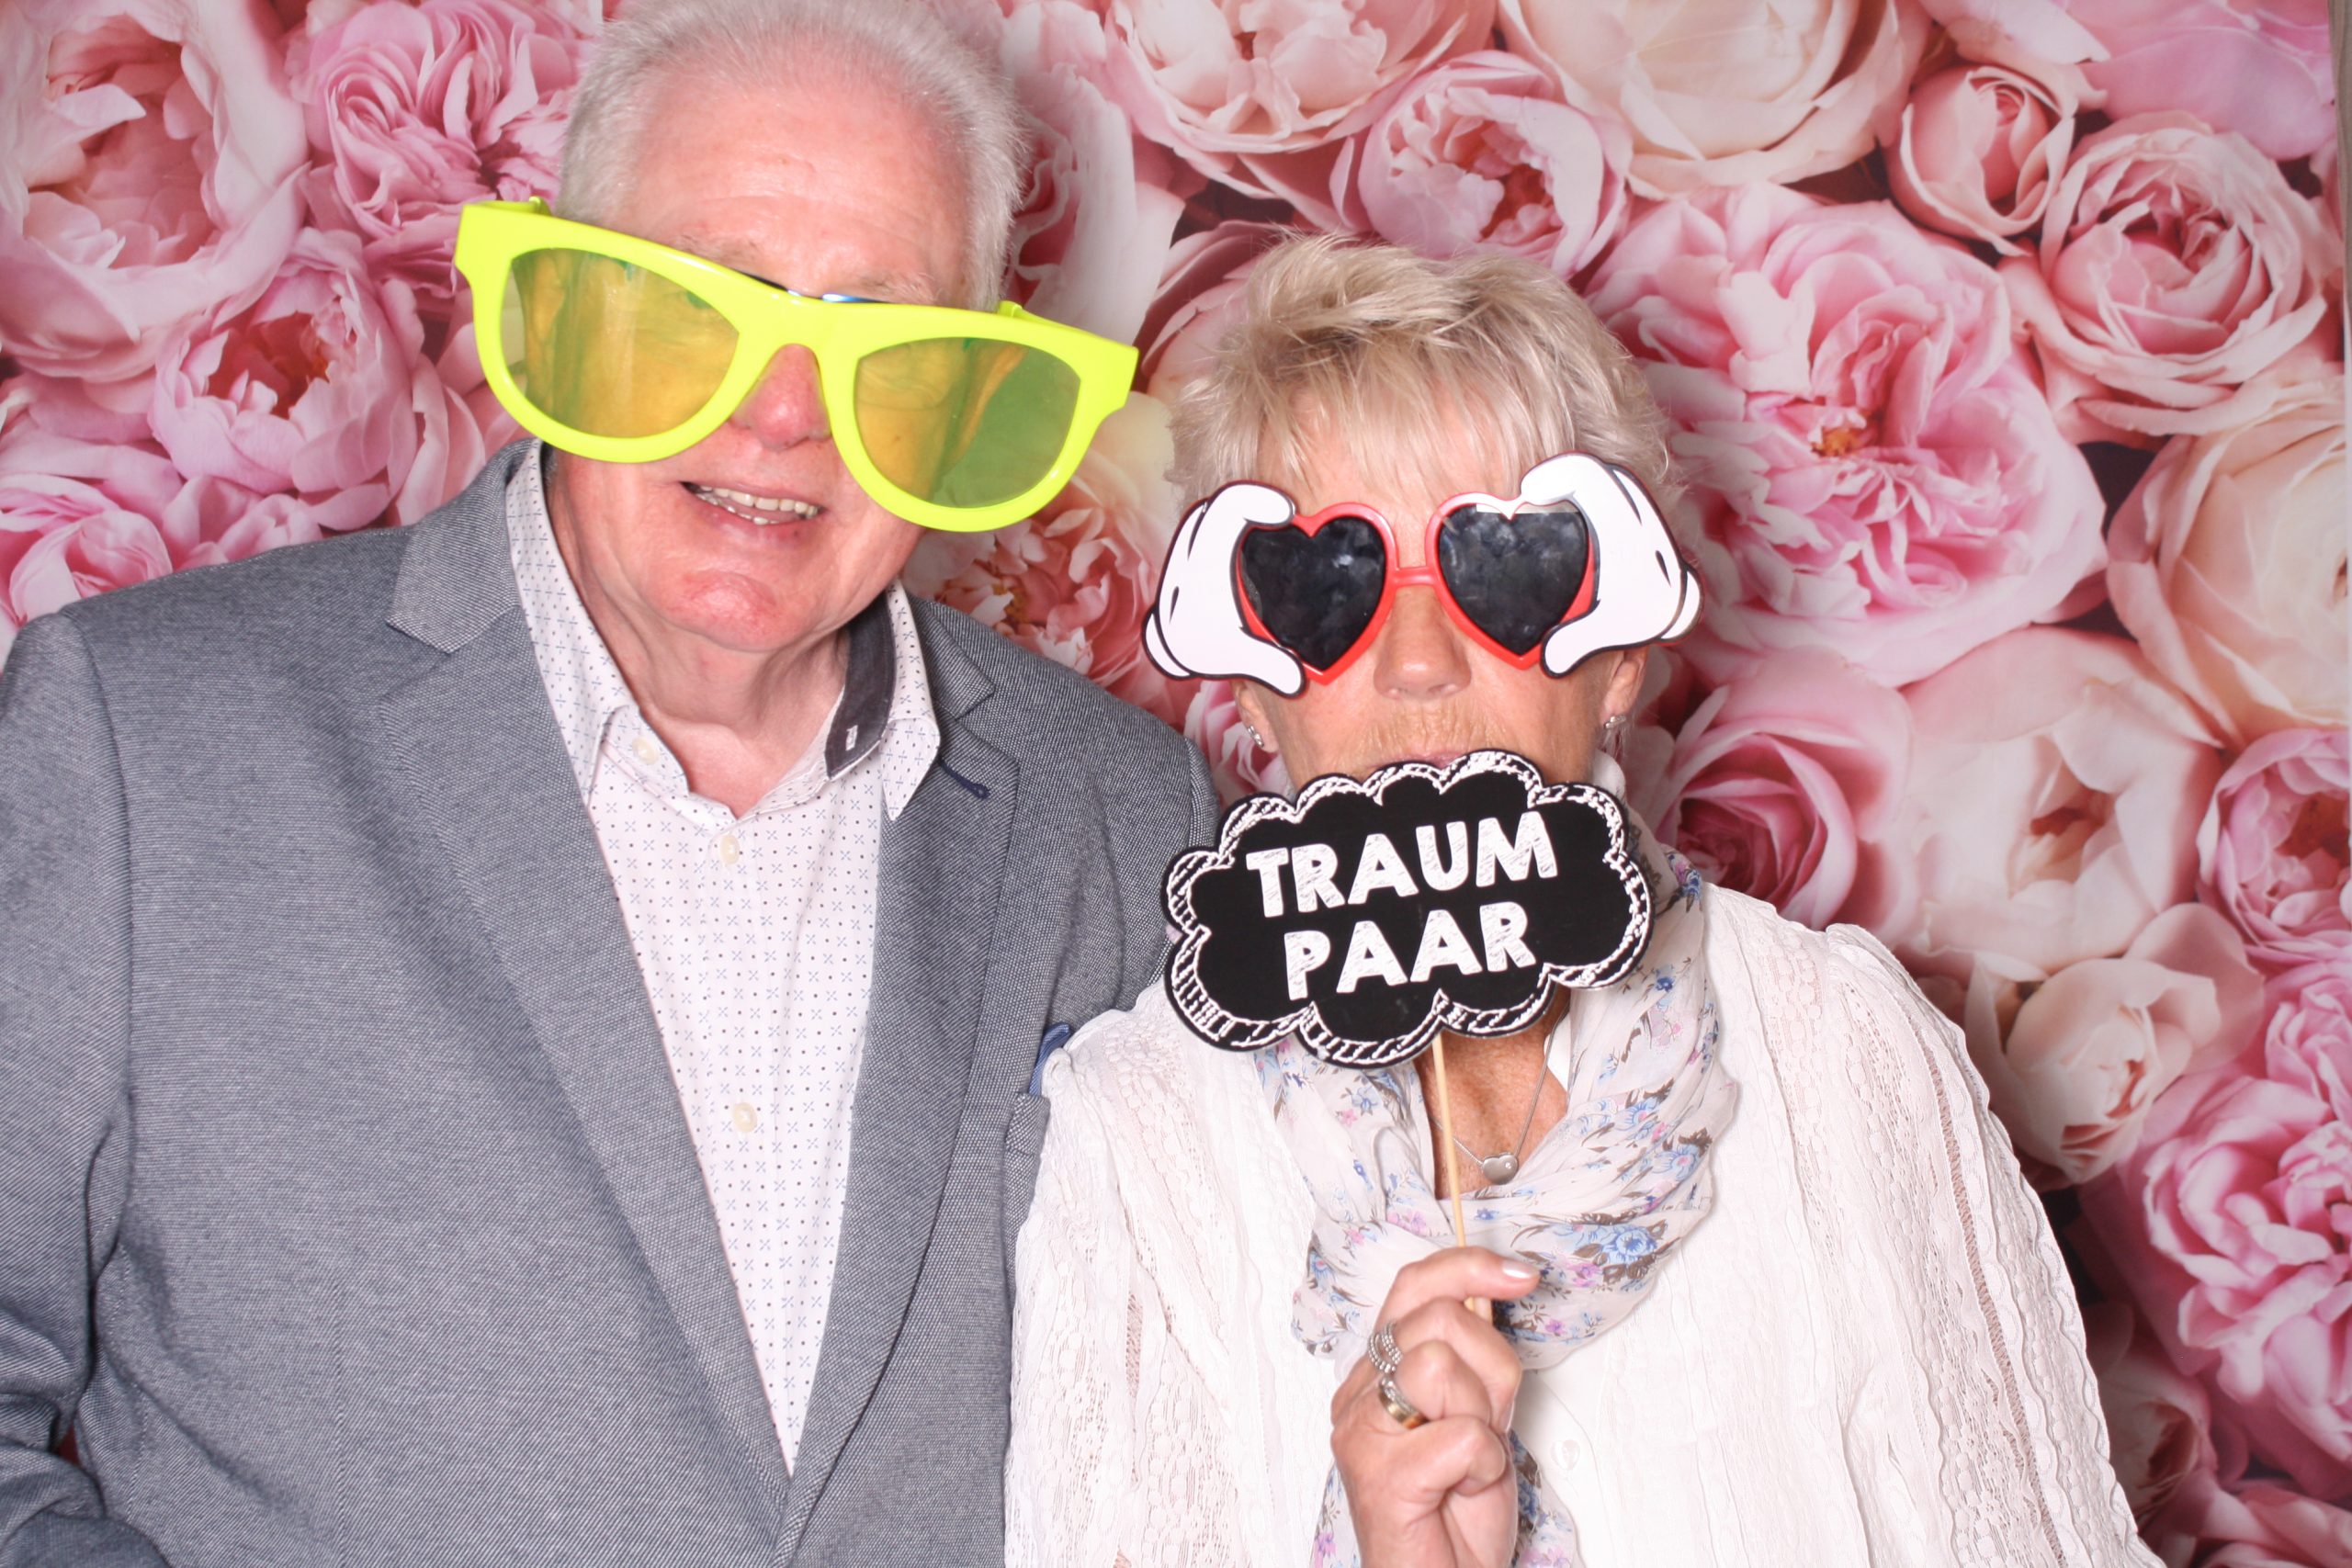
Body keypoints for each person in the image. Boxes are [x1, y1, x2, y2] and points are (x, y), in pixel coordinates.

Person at [0, 2, 1213, 1564]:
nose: (783, 415)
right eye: (698, 310)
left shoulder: (1129, 815)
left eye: (885, 345)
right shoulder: (142, 738)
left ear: (966, 398)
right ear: (567, 311)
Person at [1004, 237, 2160, 1568]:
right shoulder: (1141, 1127)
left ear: (1618, 659)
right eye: (1325, 589)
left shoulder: (1840, 1045)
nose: (1420, 664)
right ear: (1259, 687)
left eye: (1504, 570)